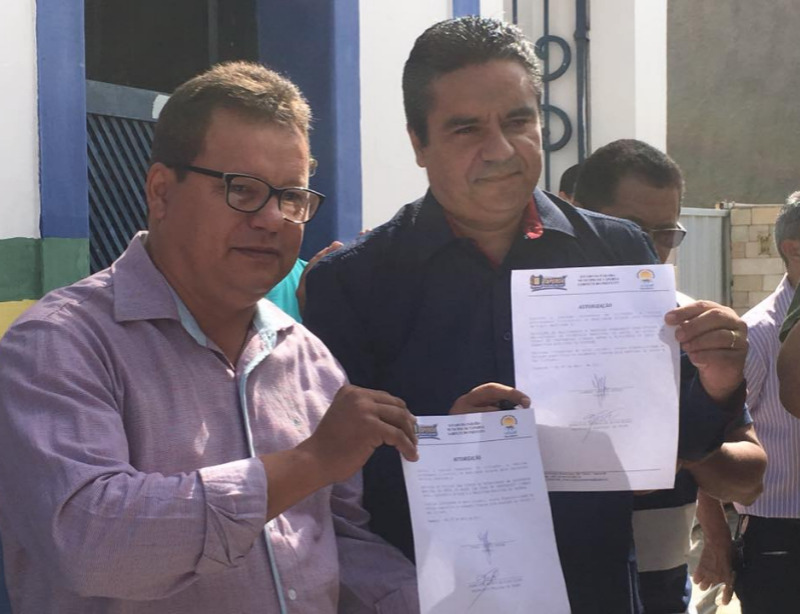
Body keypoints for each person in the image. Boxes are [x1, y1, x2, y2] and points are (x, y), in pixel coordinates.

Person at [304, 17, 749, 613]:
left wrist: (718, 384)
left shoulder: (617, 252)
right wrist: (449, 446)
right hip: (430, 598)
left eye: (518, 121)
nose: (501, 150)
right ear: (418, 142)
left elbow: (679, 444)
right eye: (466, 128)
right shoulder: (351, 284)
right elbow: (334, 488)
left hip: (594, 594)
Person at [0, 62, 424, 613]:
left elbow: (333, 543)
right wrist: (308, 463)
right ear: (160, 191)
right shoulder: (58, 346)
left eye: (291, 196)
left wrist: (443, 597)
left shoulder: (308, 360)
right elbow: (90, 541)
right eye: (242, 190)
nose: (272, 219)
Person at [575, 139, 765, 613]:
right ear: (578, 217)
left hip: (659, 592)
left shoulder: (690, 328)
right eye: (631, 229)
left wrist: (680, 446)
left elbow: (749, 479)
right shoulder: (524, 321)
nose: (649, 248)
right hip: (551, 588)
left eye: (665, 233)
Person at [736, 192, 800, 612]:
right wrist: (715, 540)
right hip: (779, 538)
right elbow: (714, 438)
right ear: (794, 249)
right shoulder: (757, 334)